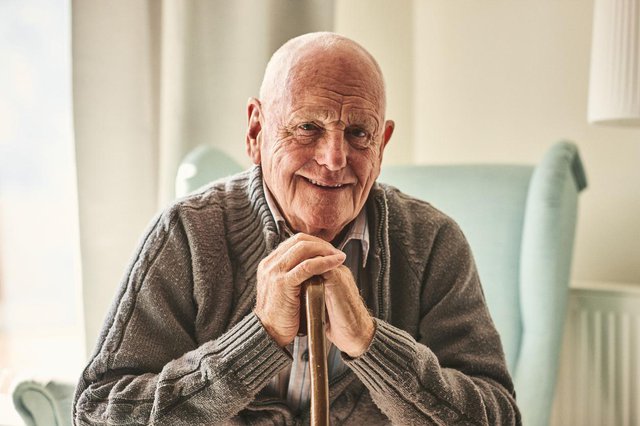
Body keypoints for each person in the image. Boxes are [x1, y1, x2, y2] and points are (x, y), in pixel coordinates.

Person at [73, 32, 520, 425]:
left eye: (359, 134)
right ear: (255, 131)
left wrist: (371, 343)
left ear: (382, 145)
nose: (334, 159)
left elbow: (498, 415)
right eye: (308, 127)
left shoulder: (434, 242)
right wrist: (258, 338)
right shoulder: (187, 233)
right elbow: (97, 412)